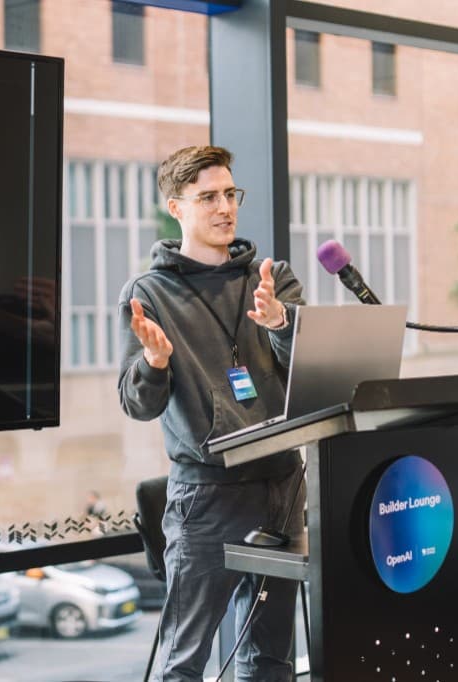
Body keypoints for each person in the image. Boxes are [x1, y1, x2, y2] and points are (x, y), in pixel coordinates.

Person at [118, 145, 305, 681]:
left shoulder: (273, 279)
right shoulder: (148, 294)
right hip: (207, 498)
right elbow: (137, 404)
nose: (225, 208)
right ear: (176, 208)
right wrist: (155, 362)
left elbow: (310, 370)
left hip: (283, 485)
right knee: (184, 662)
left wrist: (280, 323)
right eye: (208, 198)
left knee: (270, 659)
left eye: (230, 194)